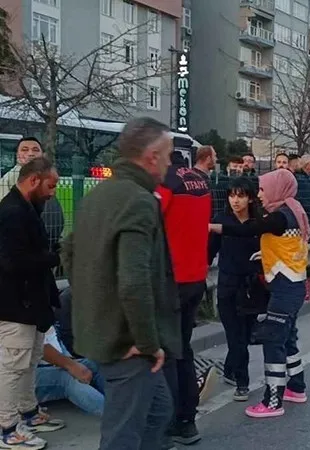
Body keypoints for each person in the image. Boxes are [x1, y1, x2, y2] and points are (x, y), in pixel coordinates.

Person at [61, 117, 180, 450]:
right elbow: (133, 280)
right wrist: (146, 341)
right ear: (152, 155)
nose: (171, 163)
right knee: (122, 435)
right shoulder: (138, 200)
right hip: (129, 342)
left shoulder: (99, 195)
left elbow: (69, 250)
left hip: (108, 332)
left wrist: (93, 303)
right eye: (169, 155)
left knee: (158, 411)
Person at [210, 169, 310, 419]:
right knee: (288, 339)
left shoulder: (280, 216)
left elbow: (248, 229)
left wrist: (213, 226)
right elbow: (284, 245)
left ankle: (273, 401)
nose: (260, 195)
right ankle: (296, 387)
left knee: (273, 340)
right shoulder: (293, 210)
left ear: (278, 188)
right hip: (294, 285)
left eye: (263, 190)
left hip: (285, 289)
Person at [0, 157, 64, 450]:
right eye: (51, 186)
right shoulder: (12, 213)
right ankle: (7, 428)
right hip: (16, 306)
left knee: (28, 363)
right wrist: (54, 257)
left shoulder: (26, 209)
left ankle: (28, 411)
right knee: (13, 366)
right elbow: (13, 262)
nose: (53, 193)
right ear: (34, 180)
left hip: (31, 305)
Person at [157, 147, 213, 445]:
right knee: (183, 350)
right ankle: (187, 420)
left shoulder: (165, 183)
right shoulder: (199, 180)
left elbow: (154, 226)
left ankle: (168, 423)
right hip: (196, 277)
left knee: (167, 354)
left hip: (172, 279)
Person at [208, 177, 262, 403]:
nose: (235, 200)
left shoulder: (260, 221)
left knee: (246, 335)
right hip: (228, 286)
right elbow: (208, 252)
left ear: (250, 197)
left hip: (251, 288)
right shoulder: (220, 220)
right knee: (235, 337)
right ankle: (242, 382)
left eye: (240, 195)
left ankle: (230, 369)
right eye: (232, 195)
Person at [0, 137, 64, 252]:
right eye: (25, 150)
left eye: (35, 150)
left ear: (42, 154)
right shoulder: (10, 179)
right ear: (17, 155)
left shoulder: (45, 176)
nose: (30, 153)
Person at [36, 324, 105, 417]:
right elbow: (37, 346)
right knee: (67, 378)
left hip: (48, 363)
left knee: (95, 364)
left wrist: (72, 362)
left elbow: (53, 341)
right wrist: (72, 366)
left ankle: (122, 403)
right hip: (23, 377)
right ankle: (117, 415)